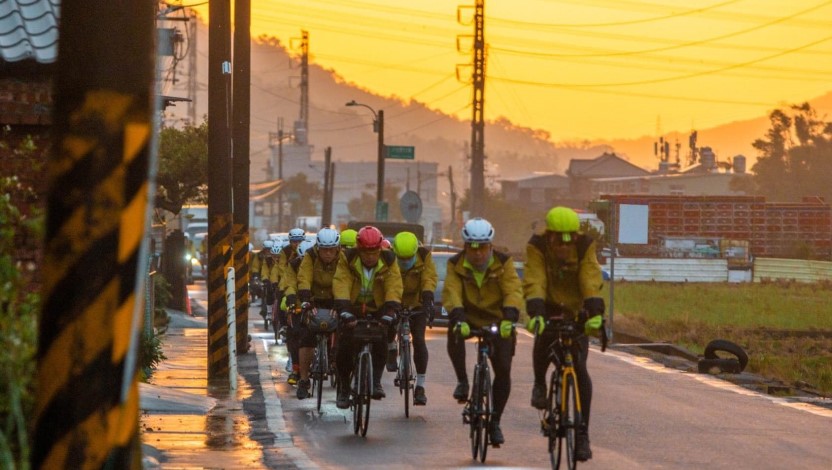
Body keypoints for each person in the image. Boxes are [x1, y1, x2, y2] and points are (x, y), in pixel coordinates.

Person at [524, 206, 605, 462]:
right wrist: (535, 310)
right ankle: (539, 383)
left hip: (575, 309)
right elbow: (535, 279)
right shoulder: (536, 247)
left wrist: (594, 311)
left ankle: (582, 434)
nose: (563, 245)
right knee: (543, 342)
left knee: (580, 369)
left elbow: (590, 276)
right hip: (548, 306)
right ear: (549, 236)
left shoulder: (584, 246)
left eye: (569, 238)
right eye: (559, 239)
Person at [443, 217, 523, 445]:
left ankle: (495, 421)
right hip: (468, 317)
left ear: (491, 246)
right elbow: (452, 292)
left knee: (504, 370)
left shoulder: (504, 263)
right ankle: (463, 381)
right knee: (454, 331)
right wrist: (458, 317)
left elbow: (513, 291)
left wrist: (510, 318)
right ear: (465, 246)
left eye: (483, 248)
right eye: (473, 248)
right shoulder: (455, 264)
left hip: (498, 320)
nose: (478, 253)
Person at [332, 226, 403, 409]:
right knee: (344, 347)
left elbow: (394, 285)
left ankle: (376, 381)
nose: (370, 257)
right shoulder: (347, 259)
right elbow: (341, 283)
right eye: (366, 252)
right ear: (359, 249)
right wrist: (344, 309)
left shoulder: (389, 259)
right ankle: (345, 388)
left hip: (378, 307)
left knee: (381, 340)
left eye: (374, 252)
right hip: (352, 307)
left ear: (380, 249)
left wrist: (390, 312)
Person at [293, 228, 344, 399]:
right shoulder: (310, 256)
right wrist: (306, 300)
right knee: (306, 337)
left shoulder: (343, 258)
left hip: (336, 298)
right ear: (318, 248)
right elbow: (304, 277)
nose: (328, 254)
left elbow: (344, 280)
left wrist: (341, 304)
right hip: (314, 299)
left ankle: (338, 365)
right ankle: (304, 380)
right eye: (324, 250)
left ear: (337, 248)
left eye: (331, 250)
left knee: (345, 333)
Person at [390, 231, 437, 405]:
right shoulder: (388, 259)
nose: (404, 262)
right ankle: (390, 348)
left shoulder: (424, 257)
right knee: (386, 326)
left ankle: (421, 386)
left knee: (419, 340)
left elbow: (429, 278)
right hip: (394, 298)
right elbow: (387, 281)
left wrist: (427, 298)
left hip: (417, 301)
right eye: (401, 258)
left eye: (408, 258)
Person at [282, 239, 317, 398]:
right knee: (296, 333)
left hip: (319, 302)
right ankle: (297, 370)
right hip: (300, 302)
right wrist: (292, 302)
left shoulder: (320, 262)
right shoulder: (293, 265)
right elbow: (291, 285)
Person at [275, 228, 306, 384]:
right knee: (282, 300)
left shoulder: (315, 256)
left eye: (299, 240)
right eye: (294, 241)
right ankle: (283, 325)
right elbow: (282, 271)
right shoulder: (287, 254)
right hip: (288, 287)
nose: (296, 244)